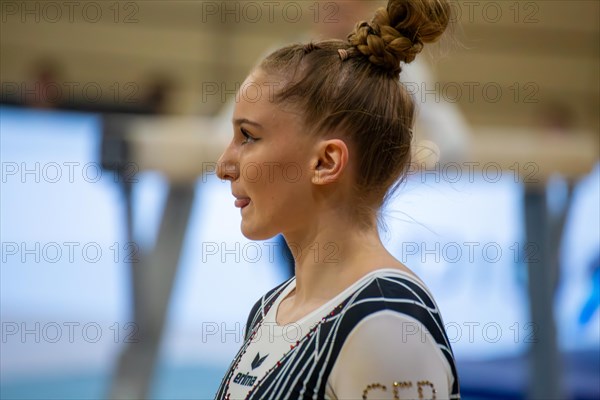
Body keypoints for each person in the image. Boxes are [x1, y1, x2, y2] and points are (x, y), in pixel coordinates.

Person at [214, 0, 460, 398]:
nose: (223, 165)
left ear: (327, 161)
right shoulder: (269, 310)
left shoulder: (386, 325)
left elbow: (454, 142)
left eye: (249, 137)